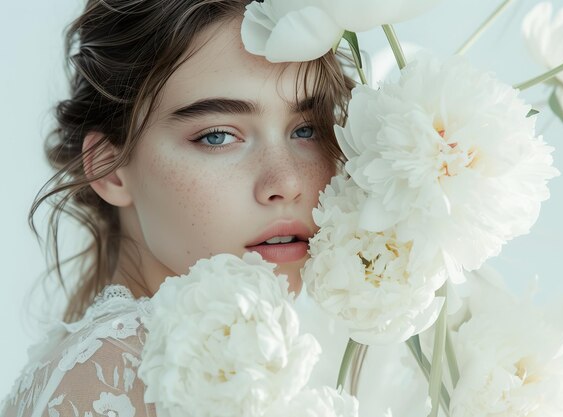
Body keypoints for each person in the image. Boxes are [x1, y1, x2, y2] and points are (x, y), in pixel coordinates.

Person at [0, 1, 354, 416]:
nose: (287, 183)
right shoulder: (120, 375)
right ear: (111, 171)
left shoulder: (287, 348)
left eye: (306, 129)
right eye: (218, 136)